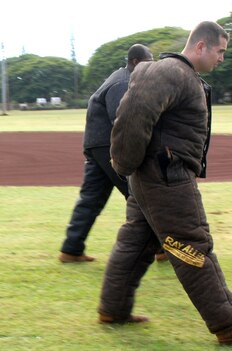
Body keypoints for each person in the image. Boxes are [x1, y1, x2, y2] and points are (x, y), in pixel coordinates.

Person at [98, 21, 232, 344]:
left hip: (152, 176)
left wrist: (134, 171)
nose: (222, 58)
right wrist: (124, 164)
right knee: (192, 244)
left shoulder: (178, 75)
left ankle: (113, 309)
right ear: (201, 46)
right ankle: (228, 323)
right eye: (220, 51)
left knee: (136, 242)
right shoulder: (169, 72)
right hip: (166, 176)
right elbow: (133, 116)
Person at [58, 44, 153, 263]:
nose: (152, 67)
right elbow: (121, 119)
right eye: (149, 62)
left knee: (91, 198)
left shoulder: (120, 77)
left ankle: (71, 248)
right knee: (139, 195)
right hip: (107, 145)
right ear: (137, 62)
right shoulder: (124, 82)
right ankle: (157, 248)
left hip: (95, 144)